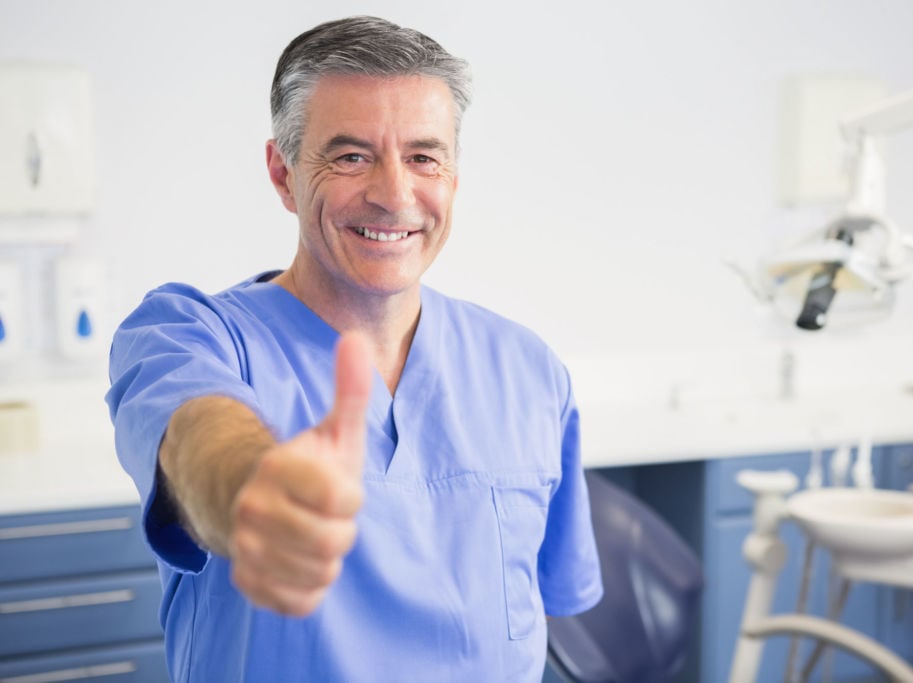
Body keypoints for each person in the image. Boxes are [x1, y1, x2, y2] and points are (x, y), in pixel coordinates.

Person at [105, 15, 603, 683]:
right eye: (350, 156)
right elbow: (201, 437)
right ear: (283, 174)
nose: (395, 194)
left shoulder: (528, 370)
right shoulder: (190, 335)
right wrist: (255, 488)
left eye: (424, 156)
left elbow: (544, 607)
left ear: (453, 177)